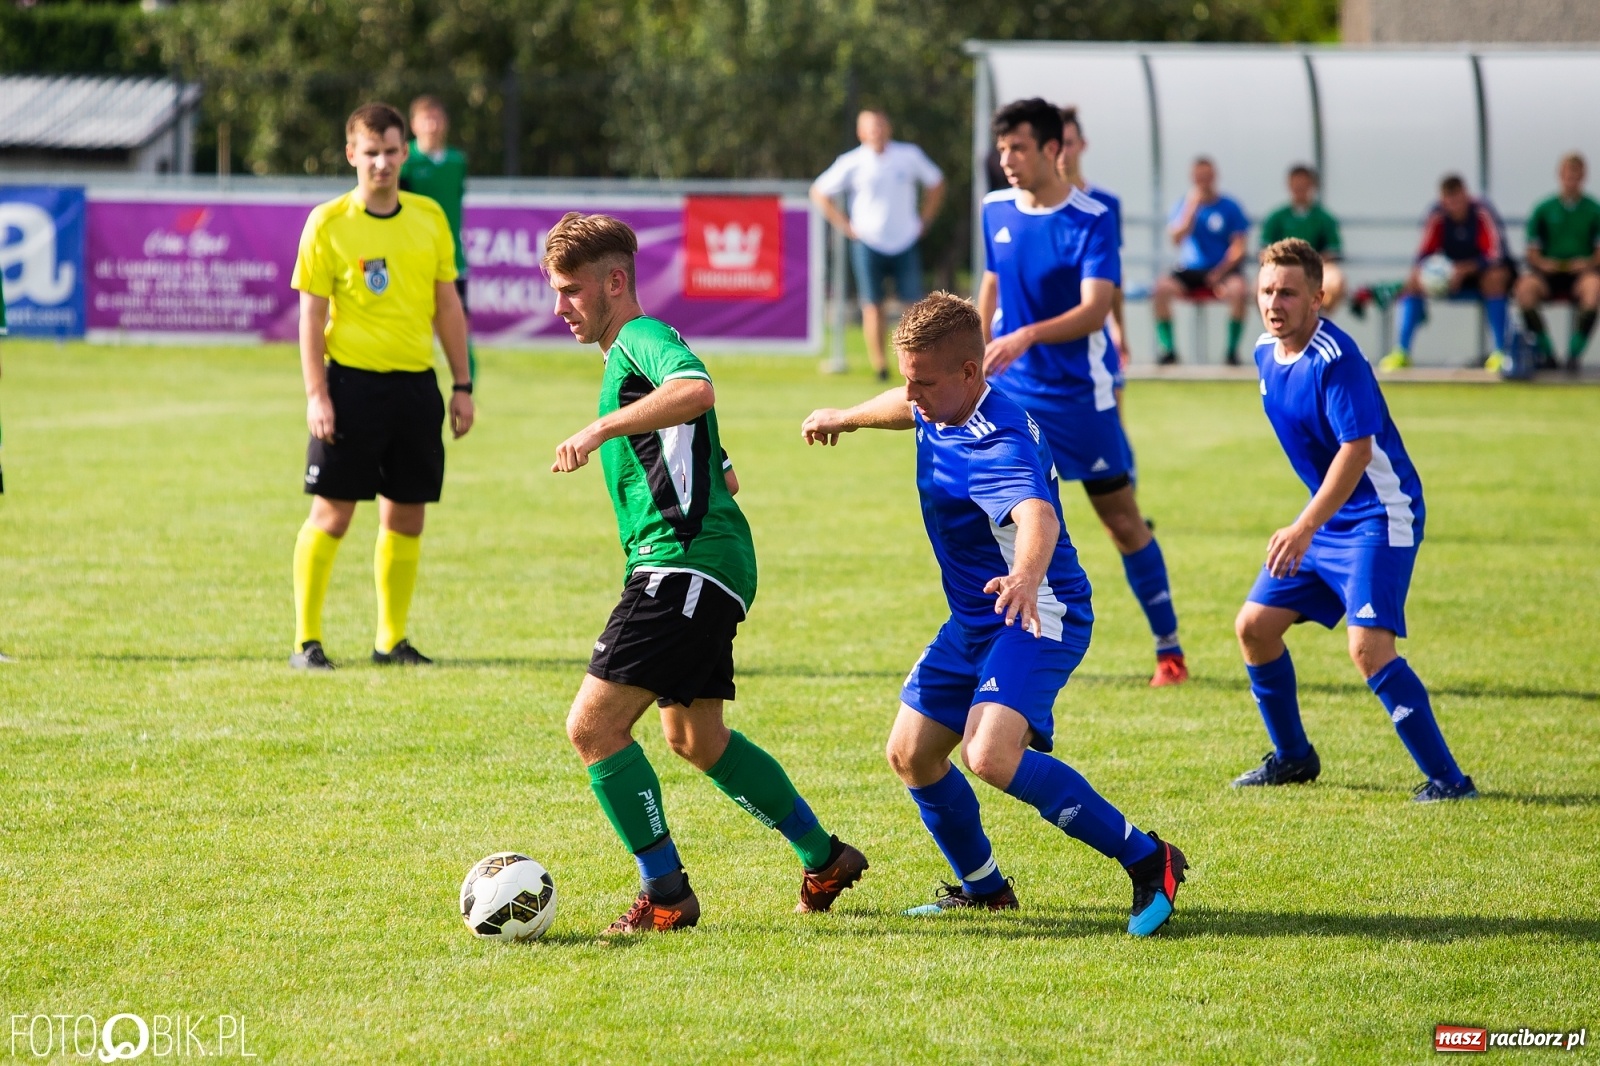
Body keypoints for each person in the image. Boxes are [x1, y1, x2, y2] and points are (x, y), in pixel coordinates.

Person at [800, 292, 1188, 936]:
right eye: (908, 376)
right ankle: (984, 890)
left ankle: (1151, 859)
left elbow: (1038, 513)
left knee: (990, 753)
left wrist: (1028, 577)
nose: (911, 391)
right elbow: (906, 406)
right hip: (976, 619)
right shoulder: (942, 401)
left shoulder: (994, 441)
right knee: (912, 755)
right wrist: (848, 415)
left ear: (970, 373)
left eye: (924, 380)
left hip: (1036, 610)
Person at [545, 211, 867, 936]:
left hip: (678, 565)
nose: (558, 307)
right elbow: (718, 462)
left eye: (570, 291)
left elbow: (696, 390)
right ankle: (825, 856)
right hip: (705, 564)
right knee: (696, 737)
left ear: (615, 282)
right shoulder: (628, 359)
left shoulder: (640, 339)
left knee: (593, 728)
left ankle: (666, 895)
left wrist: (598, 432)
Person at [1235, 238, 1476, 803]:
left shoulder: (1337, 359)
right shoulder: (1264, 354)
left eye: (1289, 293)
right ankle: (1294, 758)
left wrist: (1303, 527)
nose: (1276, 302)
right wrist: (1312, 524)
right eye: (1267, 291)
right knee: (1255, 628)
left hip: (1378, 515)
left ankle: (1450, 781)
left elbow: (1357, 451)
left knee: (1368, 648)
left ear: (1318, 297)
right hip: (1328, 520)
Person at [979, 98, 1188, 688]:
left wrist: (1024, 335)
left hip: (1080, 399)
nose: (1008, 160)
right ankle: (1007, 650)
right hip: (1012, 395)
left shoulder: (1093, 216)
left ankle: (1168, 648)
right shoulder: (994, 207)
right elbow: (991, 283)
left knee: (1121, 521)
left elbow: (1096, 309)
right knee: (1002, 524)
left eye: (1018, 147)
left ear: (1054, 149)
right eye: (1001, 149)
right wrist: (975, 343)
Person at [289, 102, 474, 670]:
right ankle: (306, 641)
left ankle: (390, 641)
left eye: (393, 151)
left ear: (404, 153)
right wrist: (318, 394)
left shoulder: (429, 219)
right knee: (334, 514)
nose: (383, 163)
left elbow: (448, 306)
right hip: (350, 389)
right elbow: (310, 318)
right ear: (352, 154)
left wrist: (462, 383)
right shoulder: (328, 222)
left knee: (407, 515)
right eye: (371, 152)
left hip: (415, 388)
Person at [811, 109, 945, 382]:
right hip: (868, 242)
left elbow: (936, 182)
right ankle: (880, 367)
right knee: (872, 305)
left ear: (889, 127)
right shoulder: (852, 162)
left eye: (881, 125)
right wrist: (845, 225)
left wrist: (925, 220)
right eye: (870, 127)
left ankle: (913, 362)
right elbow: (819, 191)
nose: (877, 131)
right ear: (861, 132)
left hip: (905, 240)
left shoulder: (908, 156)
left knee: (913, 307)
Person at [1382, 175, 1512, 372]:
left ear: (1465, 195)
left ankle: (1501, 352)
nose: (1454, 206)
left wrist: (1463, 270)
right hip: (1450, 278)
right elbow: (1422, 256)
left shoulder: (1482, 212)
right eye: (1449, 200)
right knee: (1414, 281)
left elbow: (1496, 255)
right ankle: (1402, 351)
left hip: (1480, 275)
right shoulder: (1436, 215)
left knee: (1495, 278)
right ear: (1442, 200)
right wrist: (1442, 274)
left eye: (1458, 199)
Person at [399, 95, 477, 382]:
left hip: (452, 258)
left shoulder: (457, 161)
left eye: (436, 118)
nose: (431, 125)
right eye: (425, 119)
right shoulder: (404, 159)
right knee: (411, 330)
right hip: (413, 259)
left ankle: (467, 392)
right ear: (414, 124)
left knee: (459, 330)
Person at [1054, 106, 1133, 367]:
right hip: (1046, 329)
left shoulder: (1104, 204)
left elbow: (1113, 274)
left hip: (1092, 329)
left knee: (1112, 394)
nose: (1062, 153)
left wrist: (1119, 327)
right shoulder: (1031, 207)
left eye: (1069, 143)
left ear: (1082, 144)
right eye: (1056, 145)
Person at [1154, 157, 1250, 365]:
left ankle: (1231, 352)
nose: (1203, 182)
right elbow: (1176, 239)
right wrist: (1191, 210)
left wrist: (1220, 272)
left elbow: (1239, 247)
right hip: (1190, 270)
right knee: (1161, 289)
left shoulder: (1229, 207)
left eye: (1207, 176)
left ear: (1214, 177)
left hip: (1221, 270)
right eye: (1199, 177)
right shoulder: (1184, 205)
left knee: (1239, 291)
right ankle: (1168, 350)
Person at [1515, 152, 1600, 373]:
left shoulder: (1594, 210)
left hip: (1580, 273)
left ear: (1583, 176)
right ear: (1560, 175)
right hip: (1549, 272)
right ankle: (1547, 353)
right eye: (1567, 174)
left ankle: (1573, 356)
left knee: (1594, 289)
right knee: (1524, 289)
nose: (1571, 179)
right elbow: (1532, 251)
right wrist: (1543, 263)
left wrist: (1588, 262)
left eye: (1576, 174)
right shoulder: (1544, 208)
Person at [1260, 165, 1345, 310]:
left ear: (1312, 186)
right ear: (1289, 185)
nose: (1299, 188)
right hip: (1282, 268)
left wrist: (1310, 264)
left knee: (1335, 281)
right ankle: (1277, 324)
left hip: (1317, 267)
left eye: (1304, 184)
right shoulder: (1277, 217)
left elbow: (1334, 250)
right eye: (1296, 184)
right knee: (1258, 284)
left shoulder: (1323, 217)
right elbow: (1264, 250)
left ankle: (1318, 321)